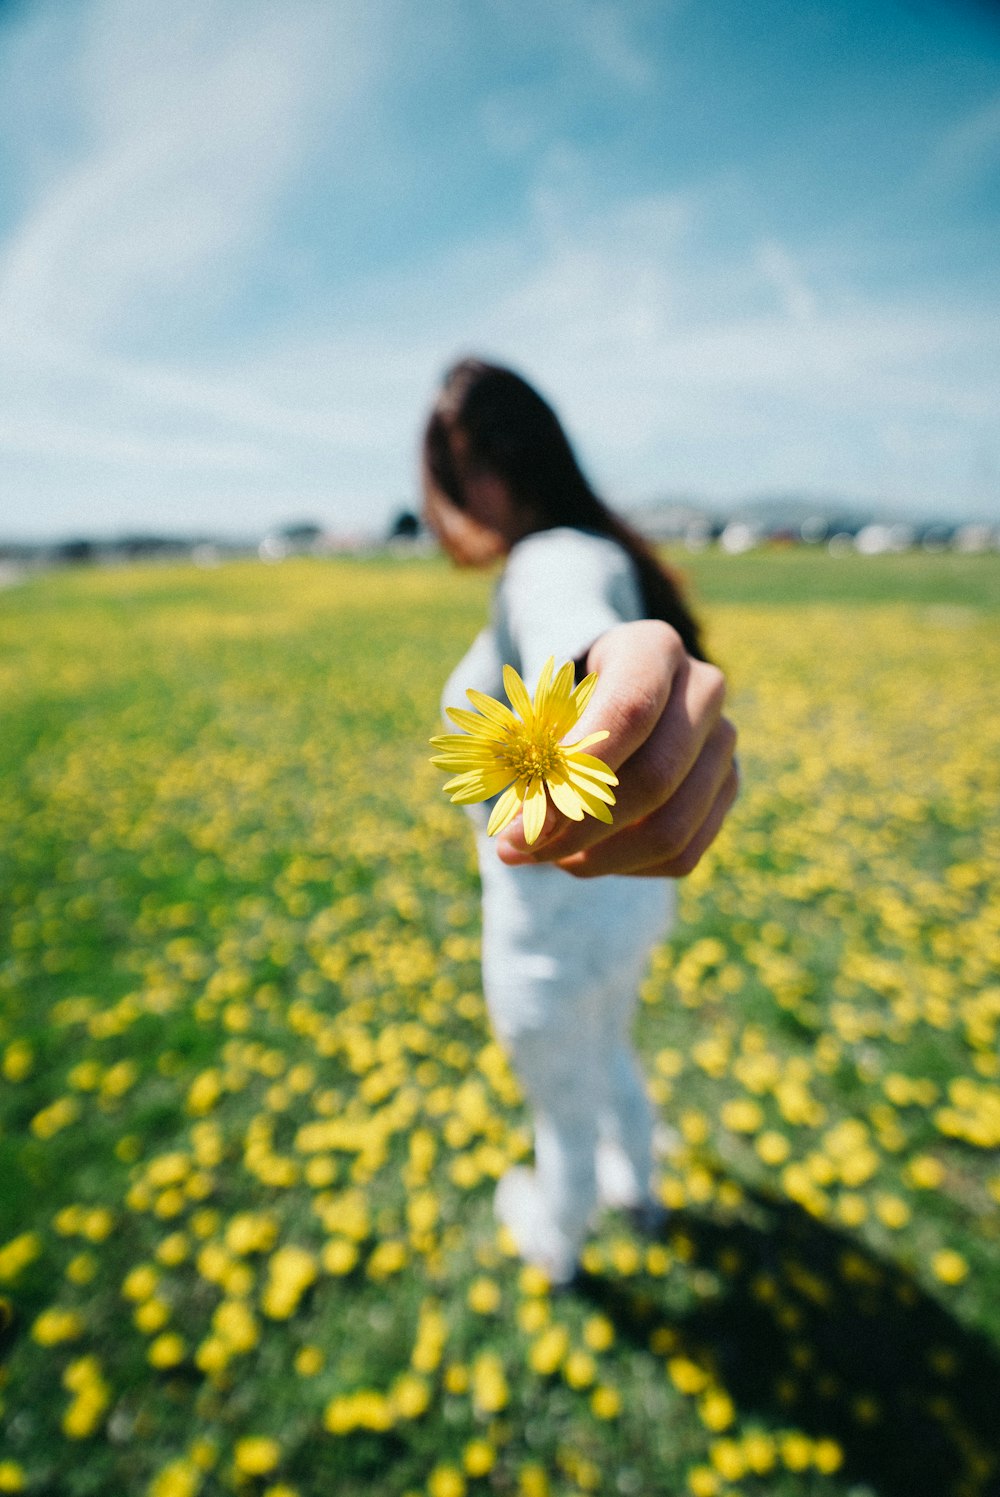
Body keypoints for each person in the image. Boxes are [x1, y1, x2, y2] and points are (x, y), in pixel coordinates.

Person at [423, 357, 738, 1284]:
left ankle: (555, 1238)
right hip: (631, 905)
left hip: (548, 932)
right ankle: (639, 1187)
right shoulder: (603, 549)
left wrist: (610, 676)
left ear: (481, 469)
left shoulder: (552, 559)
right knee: (614, 1051)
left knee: (562, 1105)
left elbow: (576, 636)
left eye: (450, 477)